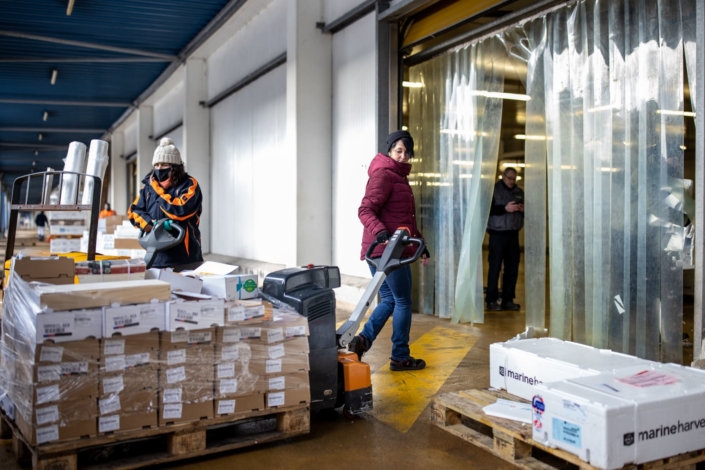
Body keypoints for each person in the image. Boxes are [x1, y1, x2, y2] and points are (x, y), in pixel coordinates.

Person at [350, 130, 430, 371]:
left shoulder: (398, 176)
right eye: (399, 151)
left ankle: (363, 340)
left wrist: (421, 244)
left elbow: (404, 219)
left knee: (388, 300)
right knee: (403, 301)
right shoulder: (384, 175)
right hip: (388, 250)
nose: (403, 156)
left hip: (384, 249)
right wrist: (380, 231)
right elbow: (365, 210)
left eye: (407, 152)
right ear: (389, 151)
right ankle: (400, 356)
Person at [127, 137, 203, 270]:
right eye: (156, 165)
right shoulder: (148, 188)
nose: (159, 169)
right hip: (155, 258)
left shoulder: (189, 185)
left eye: (164, 165)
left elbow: (181, 209)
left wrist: (158, 191)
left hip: (185, 259)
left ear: (175, 167)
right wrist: (150, 224)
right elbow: (133, 211)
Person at [486, 167, 524, 311]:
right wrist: (504, 209)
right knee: (494, 268)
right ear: (503, 176)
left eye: (514, 179)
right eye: (509, 178)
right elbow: (486, 210)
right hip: (497, 234)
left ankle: (508, 299)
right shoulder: (493, 190)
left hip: (513, 234)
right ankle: (491, 300)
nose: (511, 181)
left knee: (512, 269)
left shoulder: (519, 193)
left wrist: (523, 209)